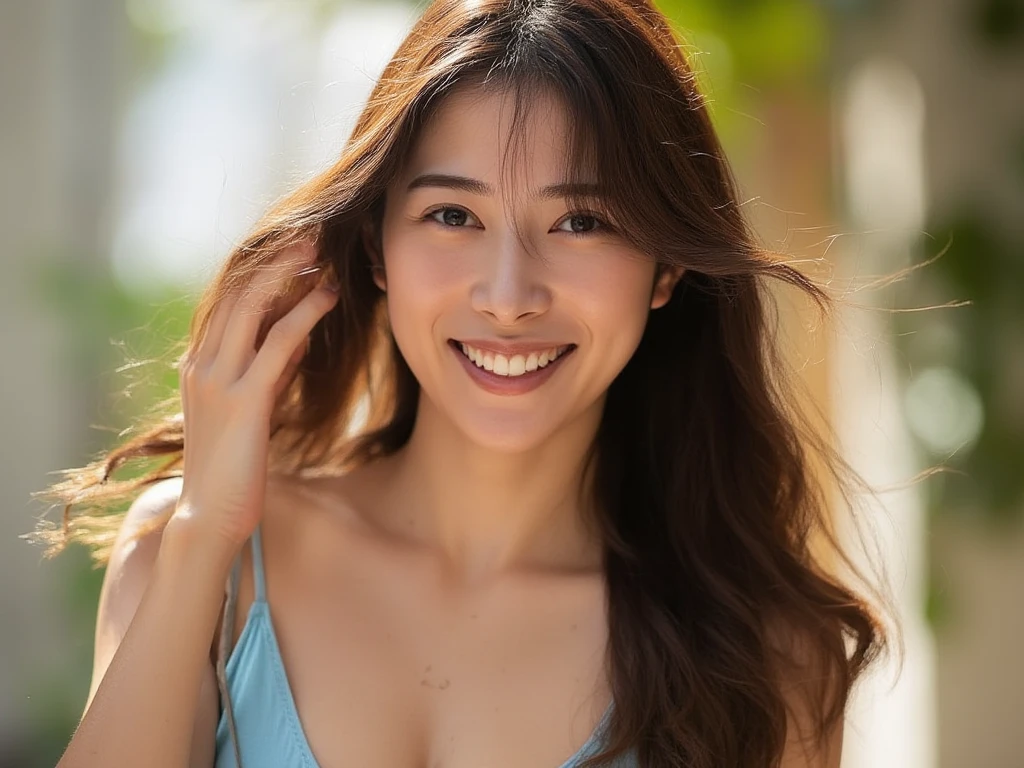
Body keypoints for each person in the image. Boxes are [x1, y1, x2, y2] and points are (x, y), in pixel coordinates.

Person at [36, 0, 895, 766]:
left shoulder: (767, 658)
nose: (509, 296)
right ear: (376, 248)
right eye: (453, 215)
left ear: (666, 267)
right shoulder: (201, 564)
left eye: (582, 221)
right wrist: (202, 536)